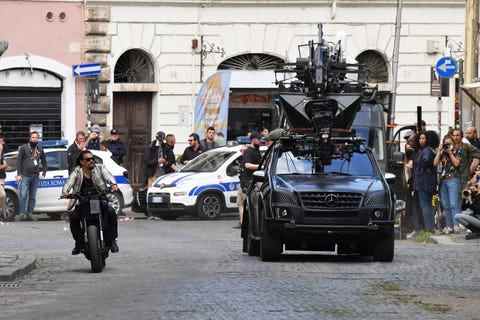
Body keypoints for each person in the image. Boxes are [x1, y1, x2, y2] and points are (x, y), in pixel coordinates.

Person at [62, 150, 119, 255]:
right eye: (88, 159)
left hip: (99, 198)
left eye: (92, 159)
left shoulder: (99, 168)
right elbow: (69, 182)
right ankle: (79, 243)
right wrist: (65, 192)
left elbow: (108, 176)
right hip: (84, 200)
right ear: (82, 162)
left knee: (111, 212)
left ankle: (112, 241)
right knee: (73, 217)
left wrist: (113, 184)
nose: (91, 161)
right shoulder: (77, 171)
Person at [434, 130, 480, 233]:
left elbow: (457, 164)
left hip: (455, 178)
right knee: (446, 205)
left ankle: (456, 225)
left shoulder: (460, 149)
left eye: (457, 135)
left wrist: (471, 168)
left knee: (454, 204)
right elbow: (435, 163)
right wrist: (439, 151)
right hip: (443, 180)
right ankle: (449, 226)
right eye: (453, 136)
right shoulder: (444, 151)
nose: (455, 138)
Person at [16, 131, 47, 221]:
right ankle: (22, 213)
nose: (34, 139)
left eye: (36, 137)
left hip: (35, 176)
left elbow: (44, 160)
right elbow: (18, 162)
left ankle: (30, 213)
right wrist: (18, 174)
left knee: (32, 196)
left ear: (38, 139)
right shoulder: (23, 148)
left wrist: (44, 170)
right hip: (25, 176)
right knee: (23, 195)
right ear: (30, 138)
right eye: (33, 137)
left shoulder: (40, 148)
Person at [237, 132, 262, 229]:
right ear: (253, 139)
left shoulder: (256, 150)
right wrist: (260, 167)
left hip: (252, 182)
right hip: (247, 182)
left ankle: (247, 224)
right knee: (241, 203)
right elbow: (247, 165)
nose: (260, 141)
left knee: (245, 204)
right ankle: (243, 223)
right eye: (258, 139)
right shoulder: (249, 151)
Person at [413, 132, 437, 232]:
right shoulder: (422, 150)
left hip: (424, 182)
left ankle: (429, 227)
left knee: (425, 206)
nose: (421, 140)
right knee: (427, 205)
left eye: (424, 138)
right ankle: (429, 227)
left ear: (428, 139)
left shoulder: (426, 151)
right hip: (424, 181)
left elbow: (426, 161)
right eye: (420, 138)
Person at [0, 133, 7, 220]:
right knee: (3, 195)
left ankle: (2, 213)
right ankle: (2, 211)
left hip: (2, 178)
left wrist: (5, 165)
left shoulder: (2, 155)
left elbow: (6, 165)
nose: (2, 143)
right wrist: (3, 166)